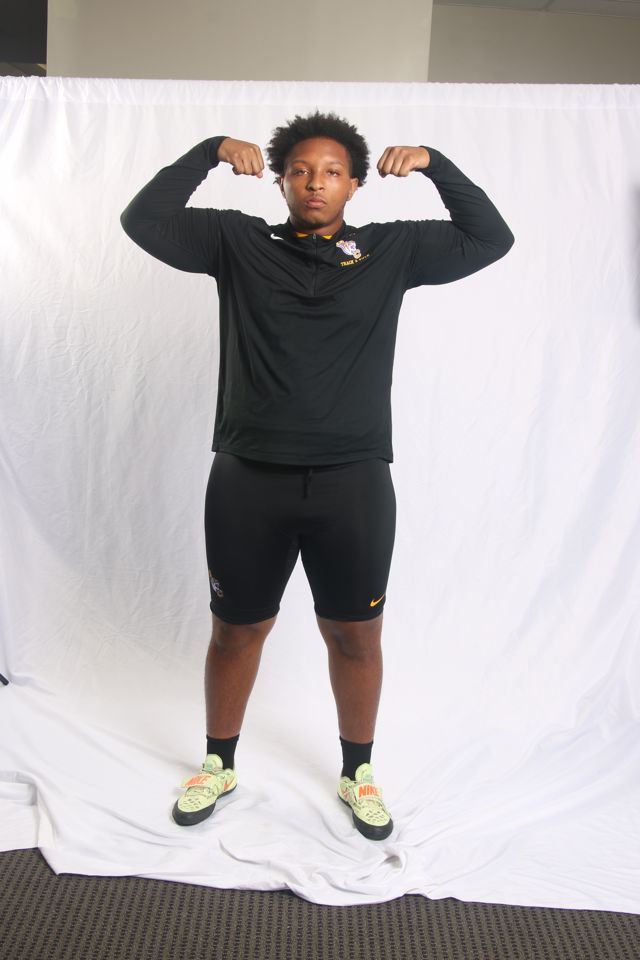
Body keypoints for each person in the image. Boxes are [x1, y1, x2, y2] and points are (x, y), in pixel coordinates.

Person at [121, 111, 514, 841]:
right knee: (236, 631)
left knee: (355, 636)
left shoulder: (392, 250)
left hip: (352, 483)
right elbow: (142, 221)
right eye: (300, 170)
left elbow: (491, 238)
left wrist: (435, 163)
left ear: (355, 184)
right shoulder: (236, 242)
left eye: (332, 172)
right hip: (248, 480)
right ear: (280, 180)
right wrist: (207, 152)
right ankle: (218, 763)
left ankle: (358, 772)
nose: (315, 183)